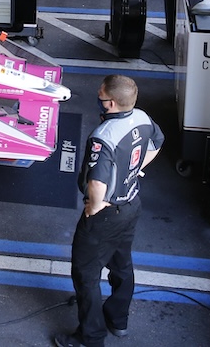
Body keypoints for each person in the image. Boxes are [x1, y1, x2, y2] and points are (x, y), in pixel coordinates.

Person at [54, 74, 163, 347]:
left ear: (111, 103)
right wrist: (135, 171)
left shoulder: (103, 137)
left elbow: (97, 181)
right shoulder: (142, 118)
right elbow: (158, 143)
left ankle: (90, 337)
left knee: (85, 274)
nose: (98, 100)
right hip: (131, 206)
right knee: (121, 263)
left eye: (101, 97)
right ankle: (118, 319)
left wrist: (95, 204)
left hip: (105, 215)